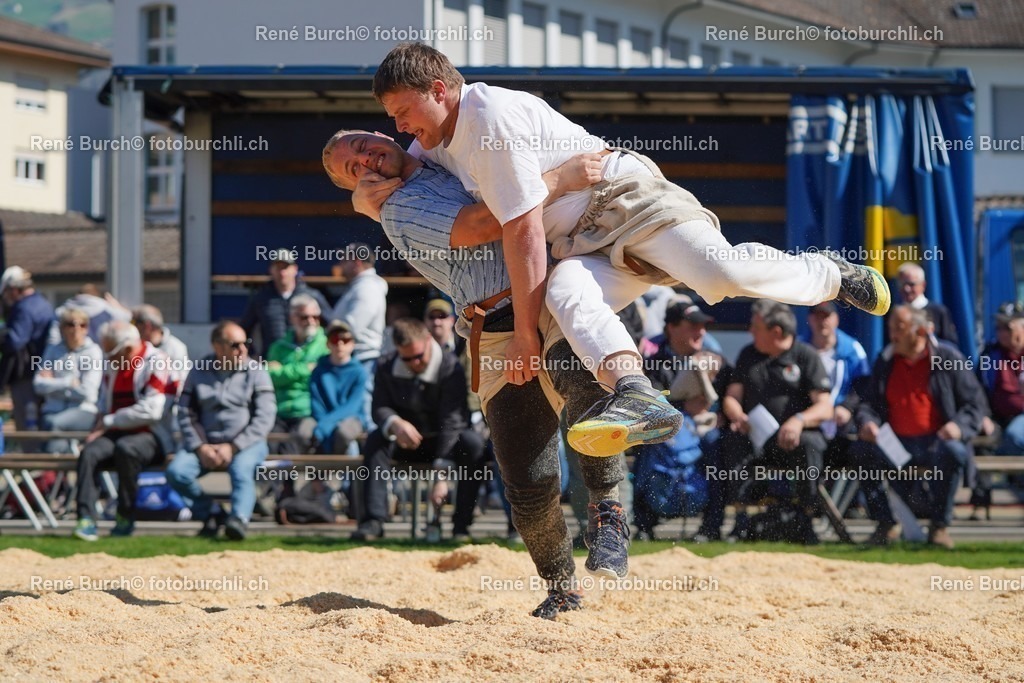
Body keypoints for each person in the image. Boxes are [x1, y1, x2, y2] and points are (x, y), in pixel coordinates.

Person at [351, 42, 890, 459]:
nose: (398, 127)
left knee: (718, 274)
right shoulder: (431, 143)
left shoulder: (488, 115)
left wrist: (524, 336)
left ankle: (829, 274)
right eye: (392, 119)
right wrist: (363, 199)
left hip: (620, 201)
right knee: (566, 292)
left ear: (439, 89)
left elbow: (522, 232)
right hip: (579, 245)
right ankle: (637, 393)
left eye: (403, 111)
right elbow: (408, 175)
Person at [323, 137, 631, 619]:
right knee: (527, 477)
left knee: (589, 398)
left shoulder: (445, 146)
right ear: (358, 186)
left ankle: (608, 513)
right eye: (353, 168)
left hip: (554, 298)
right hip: (496, 329)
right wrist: (559, 180)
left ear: (384, 135)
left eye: (363, 145)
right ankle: (562, 587)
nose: (366, 159)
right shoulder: (396, 208)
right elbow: (483, 224)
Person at [695, 300, 834, 545]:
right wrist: (738, 415)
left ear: (776, 332)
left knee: (811, 445)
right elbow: (732, 397)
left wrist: (798, 421)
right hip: (754, 437)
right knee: (731, 440)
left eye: (756, 327)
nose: (750, 331)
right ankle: (740, 519)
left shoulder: (805, 356)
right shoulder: (749, 355)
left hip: (794, 440)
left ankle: (806, 519)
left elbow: (825, 407)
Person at [850, 305, 988, 549]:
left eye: (900, 328)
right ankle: (885, 524)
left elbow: (975, 404)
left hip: (936, 442)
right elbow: (868, 404)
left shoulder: (948, 358)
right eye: (891, 328)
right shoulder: (886, 360)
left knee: (954, 451)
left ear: (921, 331)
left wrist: (958, 427)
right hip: (896, 444)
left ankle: (939, 527)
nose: (893, 334)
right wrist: (868, 423)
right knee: (861, 451)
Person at [352, 318, 487, 542]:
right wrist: (394, 422)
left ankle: (461, 527)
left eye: (418, 356)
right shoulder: (386, 365)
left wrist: (441, 473)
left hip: (444, 443)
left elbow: (452, 420)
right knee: (375, 440)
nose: (414, 363)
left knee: (473, 444)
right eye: (407, 359)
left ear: (428, 340)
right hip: (406, 442)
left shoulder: (449, 366)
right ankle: (373, 522)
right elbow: (379, 407)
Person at [166, 321, 276, 540]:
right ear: (217, 346)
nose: (243, 349)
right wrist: (200, 446)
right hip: (205, 444)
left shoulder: (256, 371)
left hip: (247, 444)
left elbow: (265, 417)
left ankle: (239, 520)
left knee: (241, 469)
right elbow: (185, 412)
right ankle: (211, 512)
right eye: (235, 345)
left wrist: (233, 447)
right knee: (176, 472)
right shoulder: (199, 370)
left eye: (246, 343)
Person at [73, 321, 176, 541]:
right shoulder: (113, 366)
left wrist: (110, 420)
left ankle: (125, 516)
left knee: (126, 449)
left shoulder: (156, 361)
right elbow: (103, 403)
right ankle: (86, 519)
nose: (108, 359)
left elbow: (152, 410)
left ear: (128, 349)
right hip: (116, 432)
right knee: (89, 453)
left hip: (152, 435)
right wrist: (99, 425)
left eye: (111, 353)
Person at [635, 299, 727, 539]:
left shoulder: (713, 357)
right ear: (672, 328)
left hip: (705, 429)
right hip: (666, 429)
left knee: (717, 443)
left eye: (703, 326)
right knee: (646, 441)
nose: (701, 332)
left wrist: (722, 414)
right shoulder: (654, 361)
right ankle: (644, 525)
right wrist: (683, 406)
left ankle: (711, 528)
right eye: (693, 326)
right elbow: (647, 402)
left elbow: (731, 394)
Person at [799, 301, 871, 467]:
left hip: (842, 423)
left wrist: (847, 407)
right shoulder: (800, 348)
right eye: (818, 316)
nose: (822, 322)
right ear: (810, 319)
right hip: (809, 420)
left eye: (827, 316)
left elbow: (862, 385)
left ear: (836, 319)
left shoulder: (852, 349)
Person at [33, 308, 103, 453]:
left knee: (53, 424)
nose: (77, 329)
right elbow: (38, 385)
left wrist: (52, 384)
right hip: (52, 410)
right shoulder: (53, 349)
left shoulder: (93, 351)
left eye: (82, 325)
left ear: (87, 329)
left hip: (83, 411)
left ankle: (53, 465)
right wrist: (68, 382)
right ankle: (64, 459)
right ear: (62, 328)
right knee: (47, 424)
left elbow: (88, 392)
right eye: (71, 324)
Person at [266, 294, 328, 454]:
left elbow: (320, 379)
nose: (311, 321)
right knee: (268, 448)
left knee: (290, 451)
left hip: (307, 411)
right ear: (292, 318)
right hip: (278, 410)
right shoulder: (278, 347)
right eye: (304, 317)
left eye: (315, 317)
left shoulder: (326, 346)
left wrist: (283, 371)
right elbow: (269, 378)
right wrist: (305, 369)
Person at [240, 247, 330, 357]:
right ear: (271, 270)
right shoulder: (261, 298)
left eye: (286, 267)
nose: (282, 272)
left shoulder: (311, 296)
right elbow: (244, 330)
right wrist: (251, 355)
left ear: (295, 269)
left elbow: (331, 325)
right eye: (278, 267)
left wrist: (325, 355)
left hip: (308, 360)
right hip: (273, 360)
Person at [0, 266, 55, 429]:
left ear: (14, 290)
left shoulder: (23, 308)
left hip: (26, 376)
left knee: (27, 425)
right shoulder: (43, 303)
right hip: (42, 371)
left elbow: (14, 341)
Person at [310, 319, 367, 454]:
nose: (340, 344)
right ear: (328, 344)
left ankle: (350, 469)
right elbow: (316, 403)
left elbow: (353, 406)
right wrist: (325, 424)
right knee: (303, 433)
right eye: (335, 340)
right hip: (322, 419)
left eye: (345, 340)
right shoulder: (319, 371)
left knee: (343, 433)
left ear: (352, 344)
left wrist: (326, 424)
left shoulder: (360, 372)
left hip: (351, 418)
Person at [132, 304, 190, 395]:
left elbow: (181, 384)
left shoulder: (176, 348)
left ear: (147, 326)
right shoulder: (135, 346)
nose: (131, 327)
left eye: (133, 322)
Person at [896, 262, 958, 345]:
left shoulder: (938, 311)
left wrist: (930, 338)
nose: (906, 289)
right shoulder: (895, 313)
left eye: (911, 284)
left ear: (923, 285)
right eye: (902, 284)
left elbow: (951, 345)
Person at [47, 283, 131, 345]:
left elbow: (53, 339)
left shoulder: (61, 311)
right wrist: (117, 306)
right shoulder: (107, 309)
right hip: (101, 357)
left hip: (68, 356)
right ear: (97, 295)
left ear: (77, 295)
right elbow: (127, 319)